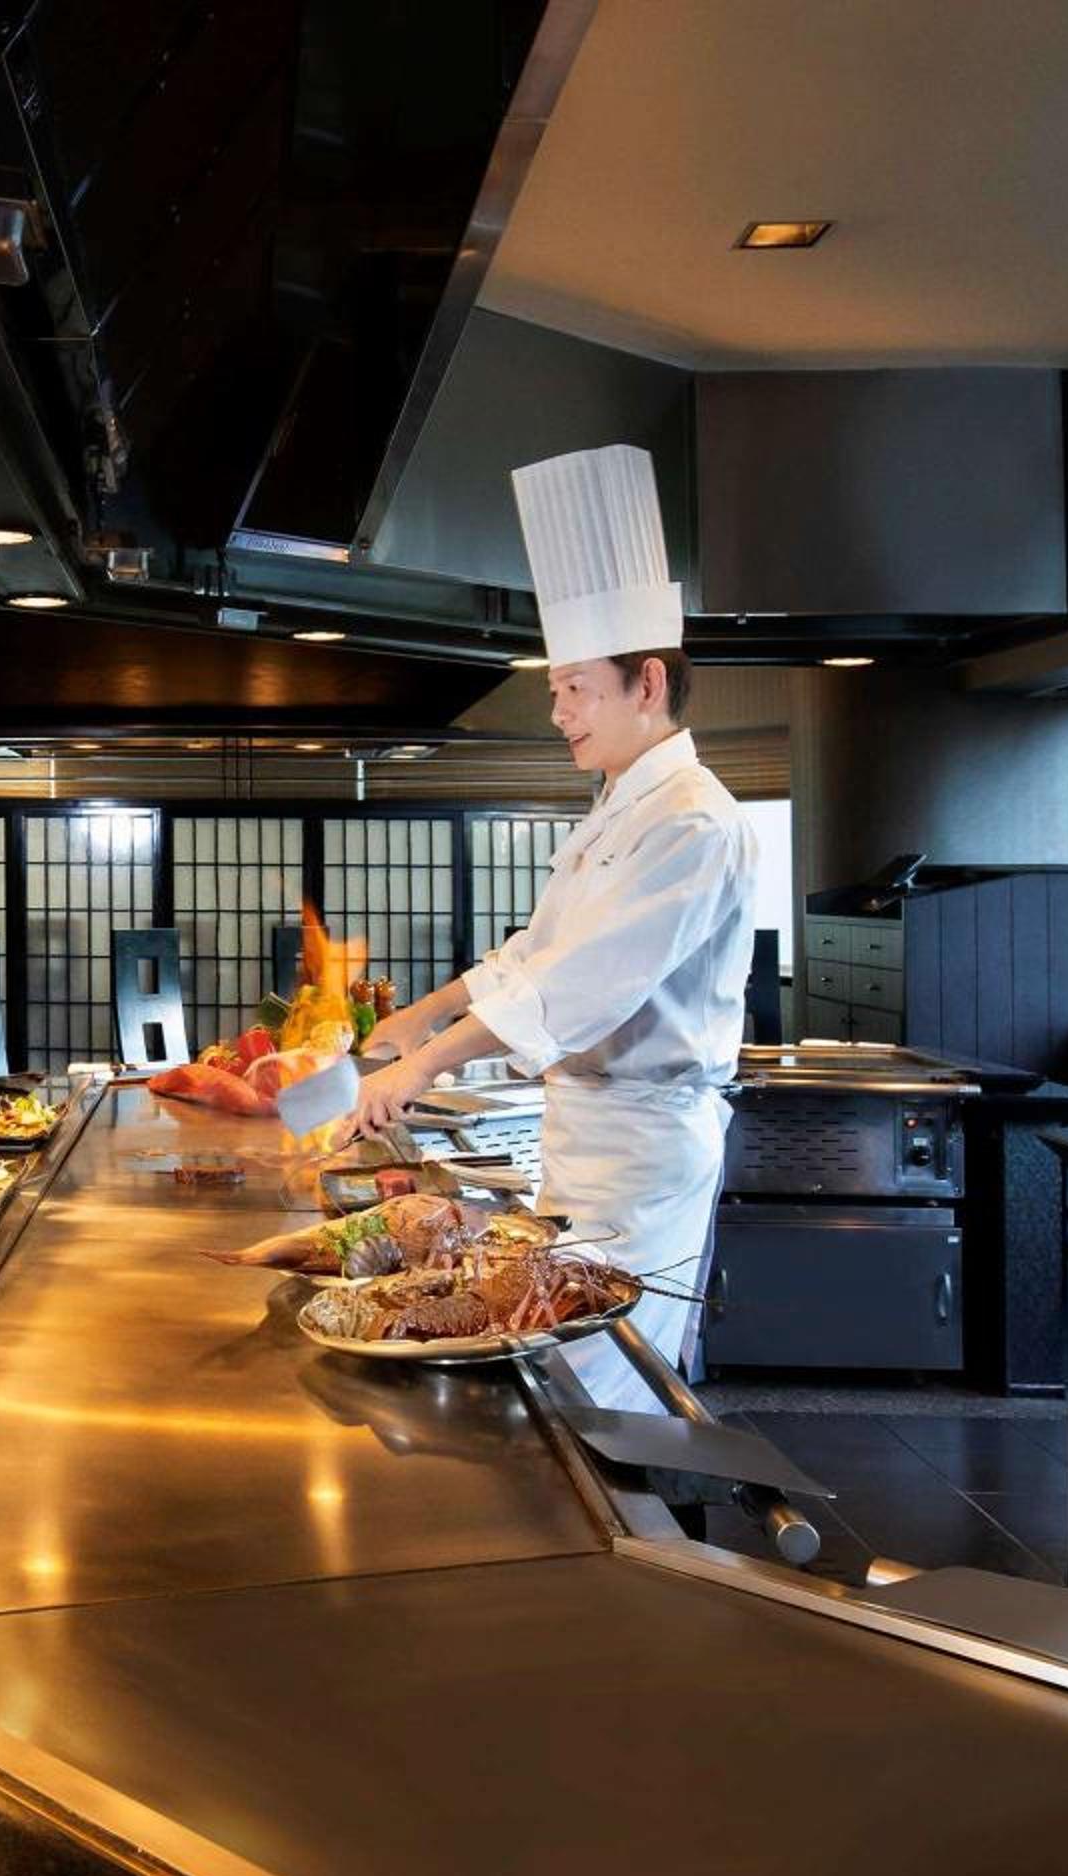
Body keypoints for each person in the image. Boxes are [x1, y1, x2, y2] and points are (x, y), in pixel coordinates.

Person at [347, 445, 757, 1411]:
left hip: (641, 1147)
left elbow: (584, 984)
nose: (559, 709)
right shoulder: (616, 807)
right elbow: (537, 955)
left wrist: (422, 1068)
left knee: (607, 1381)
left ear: (646, 683)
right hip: (583, 1131)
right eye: (556, 689)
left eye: (576, 687)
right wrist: (419, 1019)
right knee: (559, 1361)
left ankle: (638, 1514)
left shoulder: (692, 819)